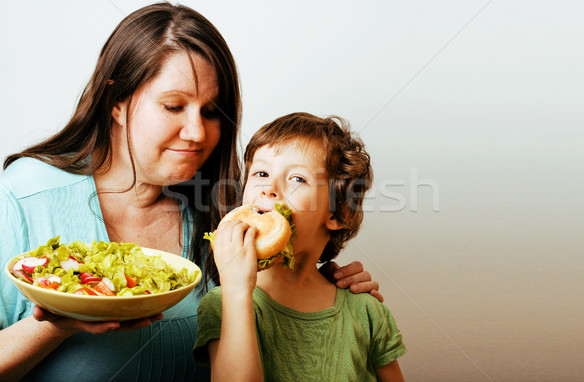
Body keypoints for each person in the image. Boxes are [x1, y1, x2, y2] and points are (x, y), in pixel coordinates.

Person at [0, 3, 382, 381]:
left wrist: (330, 290)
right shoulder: (23, 196)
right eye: (173, 106)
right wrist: (57, 324)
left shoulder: (226, 210)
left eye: (212, 112)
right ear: (116, 101)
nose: (197, 133)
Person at [194, 112, 407, 381]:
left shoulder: (366, 309)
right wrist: (236, 293)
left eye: (297, 179)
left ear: (339, 213)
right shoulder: (224, 304)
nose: (269, 188)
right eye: (261, 173)